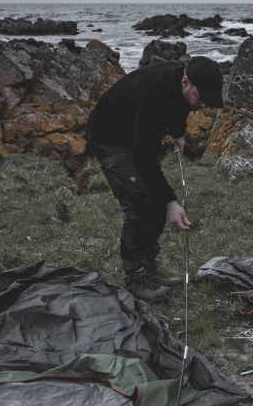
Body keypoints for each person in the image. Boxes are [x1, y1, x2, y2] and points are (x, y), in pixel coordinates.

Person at [87, 56, 224, 303]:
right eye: (201, 97)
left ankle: (149, 270)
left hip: (132, 131)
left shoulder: (179, 84)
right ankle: (134, 278)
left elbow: (181, 105)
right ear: (186, 81)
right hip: (109, 137)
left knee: (154, 201)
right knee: (140, 204)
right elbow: (145, 160)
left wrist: (177, 133)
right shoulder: (154, 96)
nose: (204, 104)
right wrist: (171, 202)